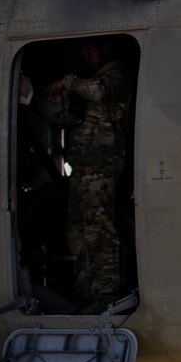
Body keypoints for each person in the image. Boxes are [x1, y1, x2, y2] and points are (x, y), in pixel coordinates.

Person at [47, 38, 132, 313]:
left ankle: (105, 294)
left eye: (91, 50)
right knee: (80, 233)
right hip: (83, 168)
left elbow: (101, 91)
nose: (88, 56)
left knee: (101, 231)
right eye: (84, 53)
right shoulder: (90, 79)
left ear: (106, 48)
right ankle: (84, 291)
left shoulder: (116, 76)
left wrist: (68, 82)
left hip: (101, 167)